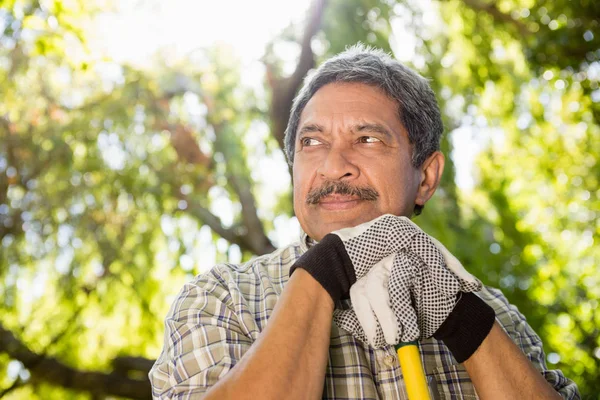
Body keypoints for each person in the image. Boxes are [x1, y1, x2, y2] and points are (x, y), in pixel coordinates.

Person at [149, 45, 580, 399]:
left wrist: (467, 320)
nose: (334, 166)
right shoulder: (222, 299)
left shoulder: (499, 319)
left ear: (426, 178)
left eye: (368, 139)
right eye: (312, 142)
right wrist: (325, 270)